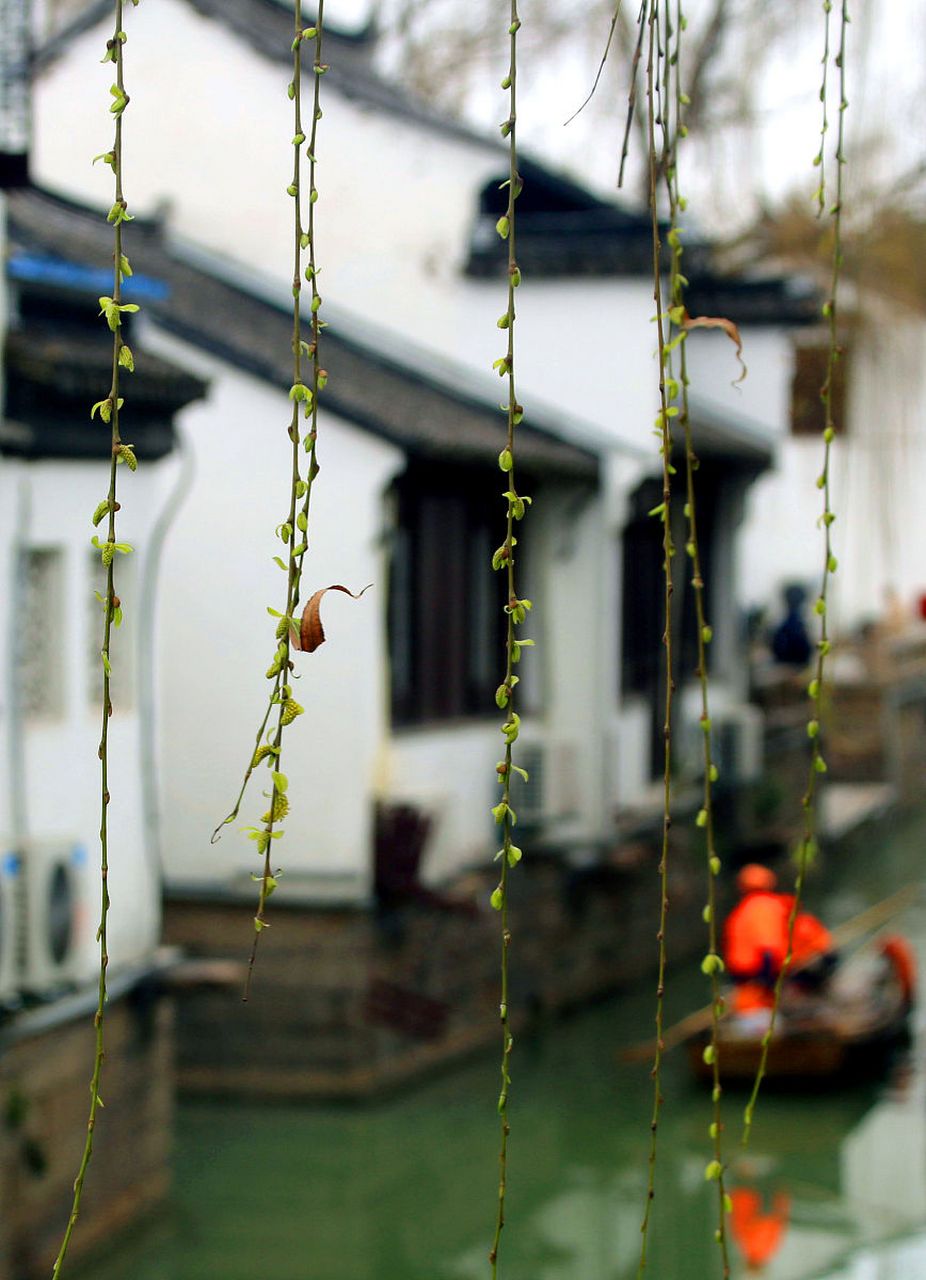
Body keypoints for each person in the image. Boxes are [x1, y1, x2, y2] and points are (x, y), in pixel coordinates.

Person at [722, 864, 835, 1025]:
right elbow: (769, 949)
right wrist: (767, 982)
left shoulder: (740, 912)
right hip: (764, 974)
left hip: (747, 978)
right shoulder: (770, 907)